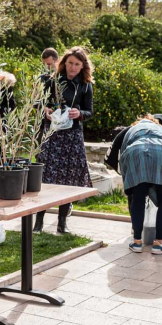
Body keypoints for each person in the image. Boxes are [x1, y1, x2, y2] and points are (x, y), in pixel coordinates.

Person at [33, 47, 94, 234]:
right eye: (70, 63)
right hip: (52, 133)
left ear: (82, 65)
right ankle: (39, 222)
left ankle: (62, 223)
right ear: (64, 63)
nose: (73, 67)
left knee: (68, 179)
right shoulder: (50, 80)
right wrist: (45, 110)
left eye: (77, 64)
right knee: (45, 177)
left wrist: (79, 113)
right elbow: (36, 102)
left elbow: (89, 111)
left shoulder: (85, 85)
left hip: (73, 135)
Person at [116, 116, 162, 255]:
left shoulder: (132, 130)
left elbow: (122, 157)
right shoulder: (161, 130)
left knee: (137, 199)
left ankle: (137, 242)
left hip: (135, 153)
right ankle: (159, 243)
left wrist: (129, 183)